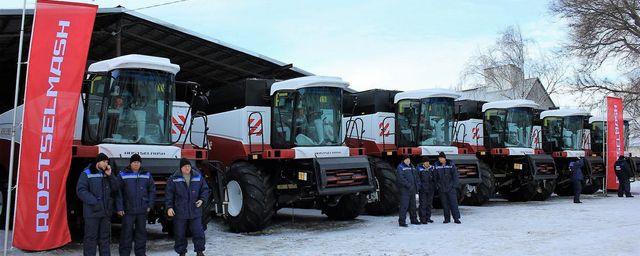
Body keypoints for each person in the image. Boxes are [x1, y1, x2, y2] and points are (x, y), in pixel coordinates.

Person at [76, 153, 120, 256]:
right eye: (104, 162)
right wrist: (95, 202)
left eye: (107, 162)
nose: (106, 164)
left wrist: (110, 176)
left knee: (105, 239)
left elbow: (116, 188)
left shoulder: (107, 173)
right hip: (92, 213)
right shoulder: (86, 173)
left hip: (105, 213)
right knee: (91, 239)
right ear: (98, 162)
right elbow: (81, 190)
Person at [166, 158, 210, 256]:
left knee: (198, 232)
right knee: (180, 233)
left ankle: (200, 251)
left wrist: (202, 199)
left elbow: (205, 189)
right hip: (180, 211)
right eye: (185, 166)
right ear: (181, 168)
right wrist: (169, 207)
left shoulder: (198, 177)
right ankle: (181, 252)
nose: (187, 168)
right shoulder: (174, 178)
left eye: (189, 166)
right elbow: (169, 195)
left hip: (195, 210)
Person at [117, 154, 156, 256]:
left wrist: (149, 205)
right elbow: (118, 192)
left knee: (141, 234)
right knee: (126, 234)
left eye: (138, 162)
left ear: (140, 163)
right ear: (130, 163)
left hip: (142, 210)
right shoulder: (123, 174)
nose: (136, 164)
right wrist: (120, 207)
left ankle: (140, 253)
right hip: (128, 210)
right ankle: (124, 254)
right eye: (134, 162)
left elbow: (152, 190)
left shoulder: (146, 174)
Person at [433, 152, 461, 224]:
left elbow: (455, 176)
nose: (440, 160)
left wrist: (454, 185)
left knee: (453, 203)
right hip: (442, 188)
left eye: (441, 158)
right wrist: (438, 185)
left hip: (450, 188)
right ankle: (447, 219)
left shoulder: (451, 164)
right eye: (439, 158)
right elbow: (435, 177)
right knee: (445, 204)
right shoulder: (436, 165)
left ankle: (456, 218)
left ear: (444, 158)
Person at [396, 156, 420, 227]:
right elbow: (401, 178)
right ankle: (402, 221)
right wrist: (409, 185)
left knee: (413, 206)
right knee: (404, 206)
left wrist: (417, 186)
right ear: (403, 160)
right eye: (406, 159)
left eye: (409, 159)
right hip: (405, 190)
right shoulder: (400, 167)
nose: (408, 161)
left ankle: (414, 220)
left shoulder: (412, 167)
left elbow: (416, 177)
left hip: (412, 190)